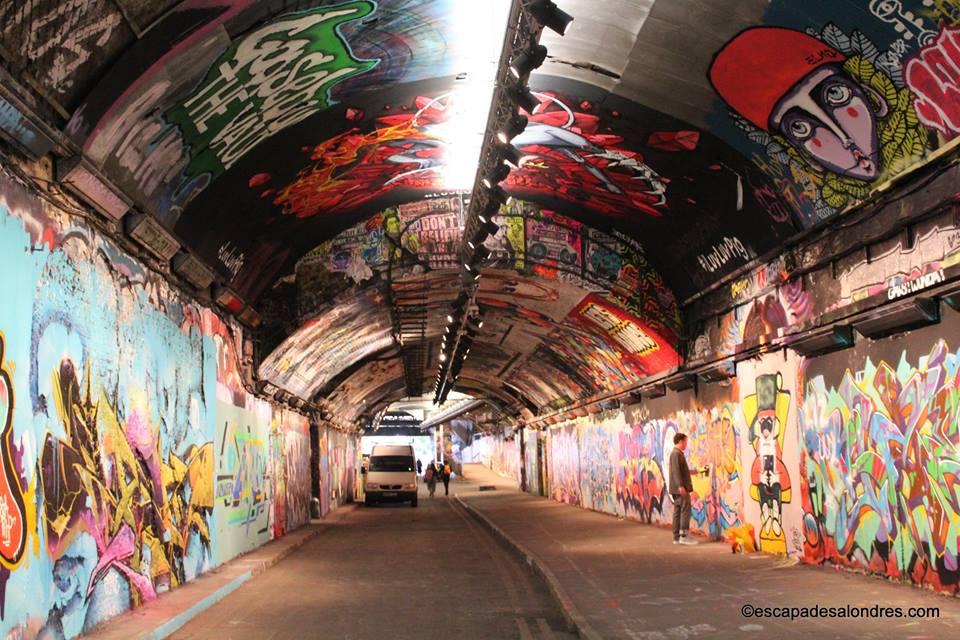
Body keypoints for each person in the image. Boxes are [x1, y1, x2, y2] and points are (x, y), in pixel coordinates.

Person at [669, 433, 705, 545]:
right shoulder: (676, 454)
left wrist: (696, 472)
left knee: (678, 511)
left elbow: (682, 471)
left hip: (677, 488)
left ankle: (676, 537)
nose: (686, 444)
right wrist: (680, 485)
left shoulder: (677, 454)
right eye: (685, 442)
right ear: (680, 441)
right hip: (680, 488)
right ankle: (684, 536)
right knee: (685, 510)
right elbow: (676, 471)